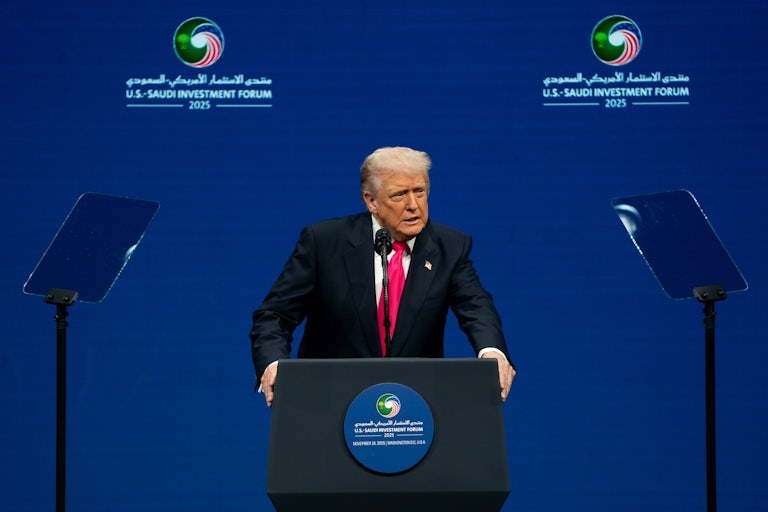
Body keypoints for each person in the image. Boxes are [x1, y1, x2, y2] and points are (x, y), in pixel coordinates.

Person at [250, 146, 515, 407]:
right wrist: (274, 364)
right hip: (329, 401)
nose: (413, 205)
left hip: (414, 407)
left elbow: (476, 308)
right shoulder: (324, 242)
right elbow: (274, 315)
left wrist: (492, 352)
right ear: (371, 201)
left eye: (420, 191)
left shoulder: (450, 247)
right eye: (399, 195)